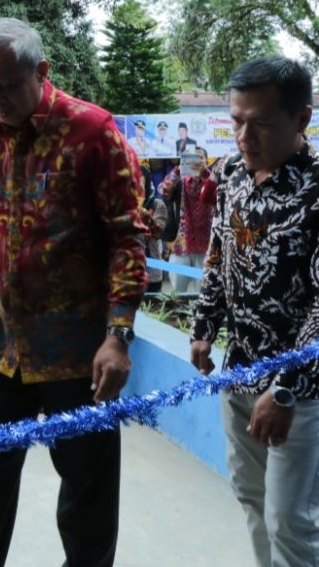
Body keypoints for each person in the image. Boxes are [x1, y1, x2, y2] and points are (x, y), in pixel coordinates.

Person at [0, 18, 147, 567]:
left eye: (7, 84)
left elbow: (127, 237)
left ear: (42, 71)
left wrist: (118, 336)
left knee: (86, 489)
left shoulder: (93, 131)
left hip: (78, 350)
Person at [190, 57, 319, 567]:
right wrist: (204, 325)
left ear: (301, 119)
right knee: (253, 500)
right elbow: (220, 254)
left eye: (261, 122)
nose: (244, 135)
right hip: (238, 373)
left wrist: (285, 386)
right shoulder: (231, 176)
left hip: (300, 391)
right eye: (236, 120)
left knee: (290, 518)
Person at [158, 147, 214, 294]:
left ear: (206, 162)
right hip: (181, 247)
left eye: (199, 159)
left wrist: (205, 174)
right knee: (177, 292)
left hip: (207, 249)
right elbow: (164, 191)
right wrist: (177, 171)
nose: (195, 163)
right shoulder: (180, 180)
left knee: (203, 294)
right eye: (190, 159)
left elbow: (219, 194)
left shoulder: (212, 180)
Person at [139, 166, 168, 294]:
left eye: (140, 183)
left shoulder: (157, 205)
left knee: (153, 311)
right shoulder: (123, 207)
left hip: (152, 275)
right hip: (129, 274)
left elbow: (157, 233)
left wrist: (144, 215)